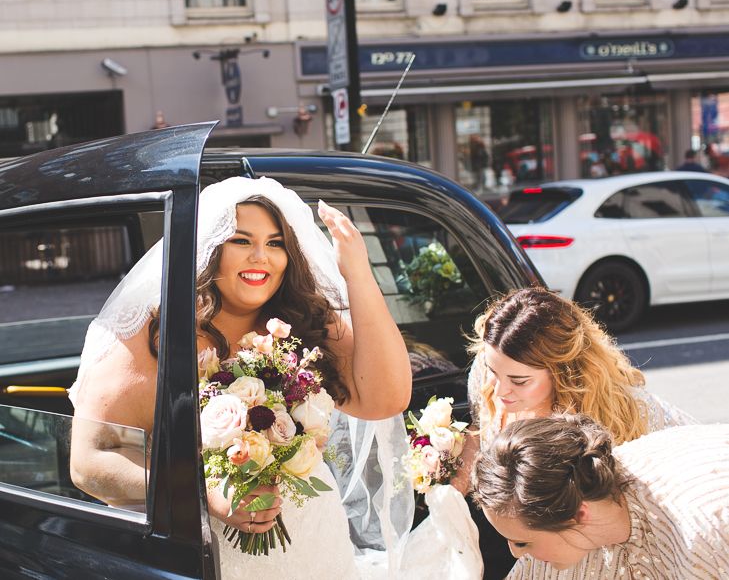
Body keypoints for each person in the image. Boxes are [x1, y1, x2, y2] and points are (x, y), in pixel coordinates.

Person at [68, 176, 414, 578]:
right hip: (206, 554)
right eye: (241, 241)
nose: (260, 257)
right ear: (210, 248)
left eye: (275, 243)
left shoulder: (307, 321)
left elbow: (387, 399)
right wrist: (203, 492)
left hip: (315, 542)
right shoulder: (156, 334)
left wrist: (357, 274)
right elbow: (89, 462)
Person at [457, 287, 696, 579]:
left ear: (562, 371)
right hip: (522, 534)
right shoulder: (485, 377)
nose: (499, 390)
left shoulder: (617, 418)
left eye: (519, 381)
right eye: (492, 370)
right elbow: (479, 427)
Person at [472, 413, 729, 579]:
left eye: (522, 542)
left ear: (578, 514)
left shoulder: (705, 530)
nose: (516, 555)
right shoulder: (580, 505)